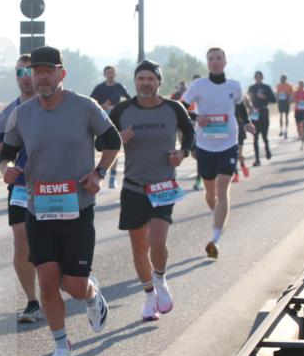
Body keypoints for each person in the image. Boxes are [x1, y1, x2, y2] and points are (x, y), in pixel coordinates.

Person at [0, 46, 121, 356]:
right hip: (39, 209)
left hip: (77, 209)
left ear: (61, 74)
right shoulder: (22, 114)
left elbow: (113, 141)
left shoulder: (85, 107)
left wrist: (99, 173)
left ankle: (93, 296)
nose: (40, 77)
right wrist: (6, 169)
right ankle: (62, 347)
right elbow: (5, 153)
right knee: (48, 281)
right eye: (34, 71)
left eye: (47, 70)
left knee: (76, 286)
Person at [110, 60, 195, 321]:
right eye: (140, 79)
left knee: (157, 242)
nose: (145, 83)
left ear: (159, 82)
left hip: (163, 186)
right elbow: (100, 138)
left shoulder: (173, 108)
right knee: (139, 247)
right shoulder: (122, 110)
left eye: (150, 78)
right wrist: (117, 137)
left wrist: (182, 152)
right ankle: (149, 296)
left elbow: (189, 131)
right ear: (135, 82)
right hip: (134, 187)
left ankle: (160, 279)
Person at [181, 48, 256, 259]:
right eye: (211, 59)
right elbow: (181, 108)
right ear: (207, 63)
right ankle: (219, 219)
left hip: (228, 144)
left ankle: (215, 239)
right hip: (205, 145)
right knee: (210, 192)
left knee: (223, 188)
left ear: (225, 61)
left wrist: (247, 123)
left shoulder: (234, 86)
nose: (215, 62)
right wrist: (197, 118)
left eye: (218, 58)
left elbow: (240, 108)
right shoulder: (198, 86)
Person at [0, 55, 41, 323]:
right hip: (21, 186)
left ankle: (68, 278)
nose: (26, 75)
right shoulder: (10, 111)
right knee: (22, 242)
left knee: (54, 240)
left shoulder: (54, 105)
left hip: (56, 185)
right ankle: (32, 301)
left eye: (31, 70)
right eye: (20, 70)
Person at [90, 66, 132, 188]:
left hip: (116, 119)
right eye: (108, 72)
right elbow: (91, 102)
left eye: (112, 72)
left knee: (114, 145)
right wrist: (103, 106)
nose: (110, 74)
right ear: (104, 74)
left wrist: (118, 107)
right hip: (102, 119)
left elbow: (129, 100)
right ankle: (101, 171)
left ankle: (112, 176)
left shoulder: (119, 87)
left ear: (116, 74)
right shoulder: (99, 88)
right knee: (102, 147)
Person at [247, 71, 275, 165]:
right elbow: (248, 100)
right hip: (254, 113)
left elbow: (273, 100)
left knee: (264, 136)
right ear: (254, 78)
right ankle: (257, 159)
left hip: (263, 112)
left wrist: (264, 97)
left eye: (259, 77)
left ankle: (267, 150)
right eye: (256, 77)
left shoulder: (266, 87)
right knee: (255, 137)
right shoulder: (252, 88)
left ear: (262, 78)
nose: (258, 78)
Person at [292, 80, 304, 150]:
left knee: (303, 126)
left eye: (302, 84)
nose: (301, 85)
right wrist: (297, 100)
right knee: (298, 126)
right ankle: (300, 135)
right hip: (298, 110)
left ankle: (303, 139)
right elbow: (293, 99)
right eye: (300, 84)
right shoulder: (296, 92)